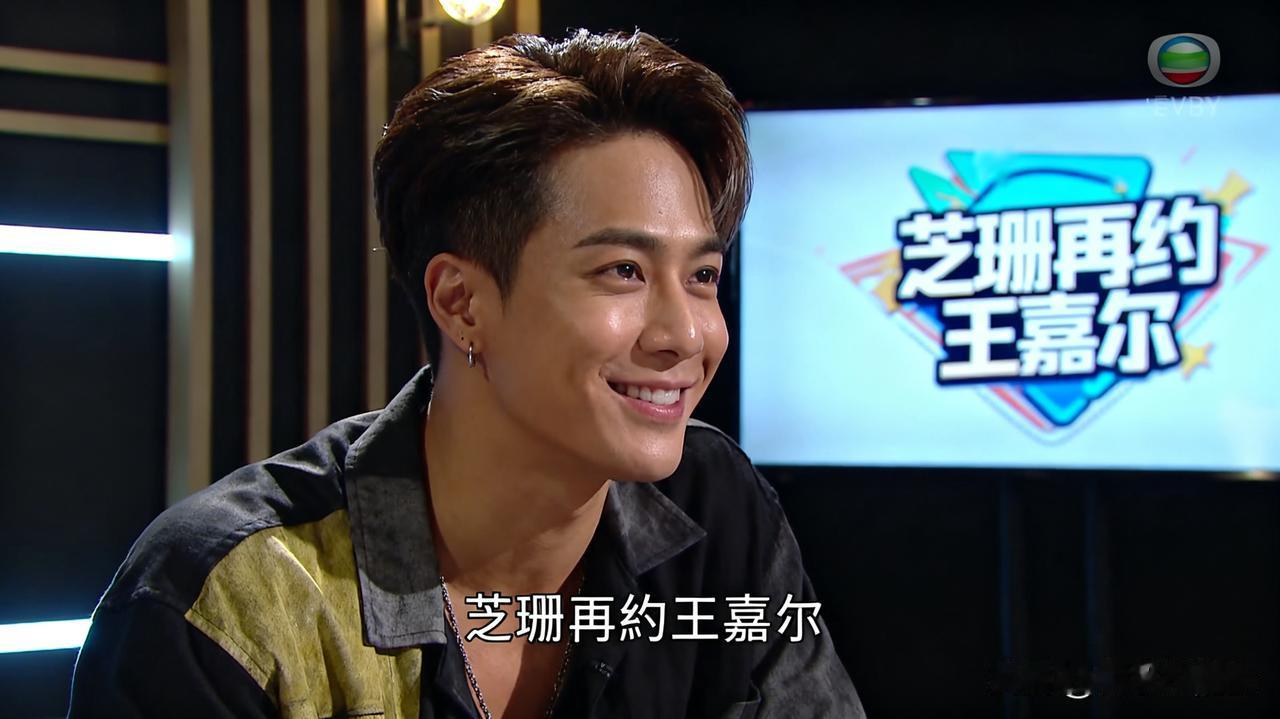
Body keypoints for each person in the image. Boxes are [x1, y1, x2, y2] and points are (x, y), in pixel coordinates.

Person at [67, 29, 864, 718]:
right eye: (623, 270)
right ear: (461, 302)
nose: (687, 334)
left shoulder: (715, 502)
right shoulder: (231, 601)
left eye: (702, 276)